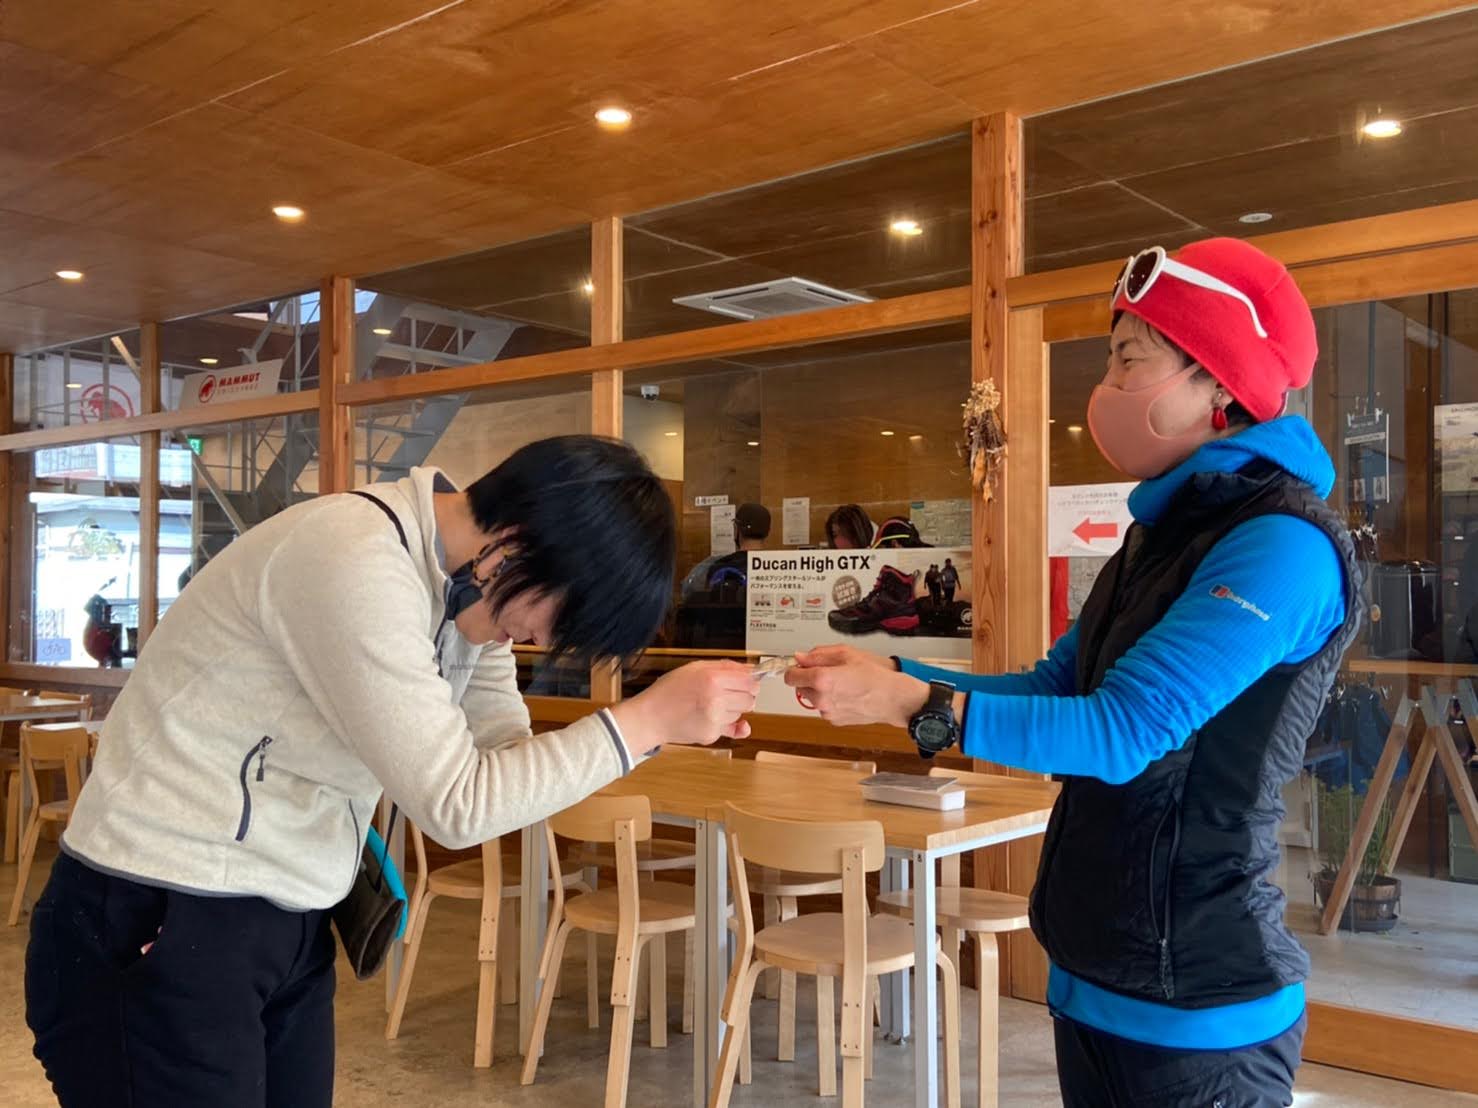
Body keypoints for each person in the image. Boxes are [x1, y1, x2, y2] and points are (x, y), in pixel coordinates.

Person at [786, 239, 1361, 1107]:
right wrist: (892, 680)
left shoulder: (1282, 547)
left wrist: (909, 701)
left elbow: (1123, 732)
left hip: (1199, 1006)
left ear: (1219, 387)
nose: (1108, 385)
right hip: (1095, 977)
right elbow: (1058, 689)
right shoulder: (1155, 537)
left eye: (1131, 357)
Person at [25, 435, 759, 1108]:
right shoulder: (353, 557)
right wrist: (646, 721)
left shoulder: (467, 594)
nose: (541, 640)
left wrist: (660, 729)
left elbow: (505, 757)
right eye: (558, 619)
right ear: (518, 542)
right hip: (158, 901)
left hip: (285, 911)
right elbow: (458, 804)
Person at [679, 502, 770, 601]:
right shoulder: (779, 565)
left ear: (736, 528)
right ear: (767, 532)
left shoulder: (717, 566)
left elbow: (687, 593)